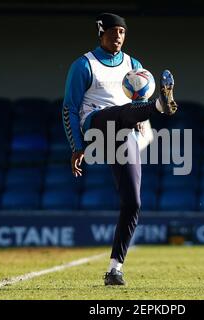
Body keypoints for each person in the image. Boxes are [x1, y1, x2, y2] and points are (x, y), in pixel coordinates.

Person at [62, 12, 178, 286]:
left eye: (122, 32)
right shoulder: (83, 65)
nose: (118, 36)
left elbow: (138, 101)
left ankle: (115, 268)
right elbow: (69, 107)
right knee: (118, 111)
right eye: (113, 31)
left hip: (123, 131)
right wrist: (76, 146)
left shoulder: (133, 64)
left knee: (133, 202)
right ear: (100, 32)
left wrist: (140, 118)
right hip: (95, 124)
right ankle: (161, 106)